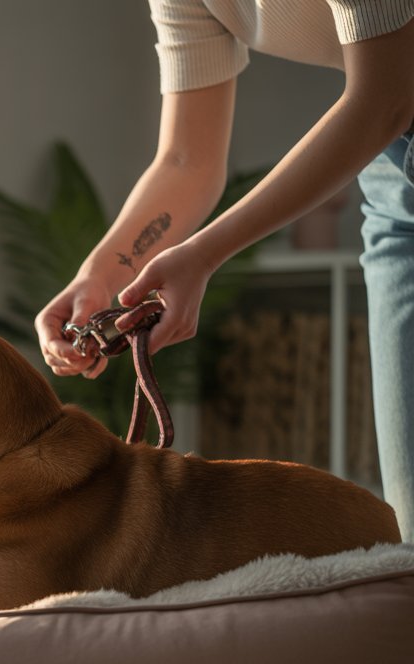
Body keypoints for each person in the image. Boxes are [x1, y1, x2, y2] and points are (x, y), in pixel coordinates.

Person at [34, 1, 414, 542]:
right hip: (395, 181)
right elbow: (188, 160)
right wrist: (102, 273)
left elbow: (385, 98)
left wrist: (206, 254)